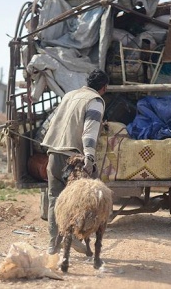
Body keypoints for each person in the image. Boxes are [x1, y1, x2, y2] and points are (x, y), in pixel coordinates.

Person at [41, 69, 109, 255]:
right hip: (73, 158)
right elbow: (89, 131)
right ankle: (74, 239)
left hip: (54, 152)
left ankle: (53, 244)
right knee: (80, 201)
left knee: (55, 197)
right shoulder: (95, 101)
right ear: (104, 88)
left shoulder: (69, 95)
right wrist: (89, 156)